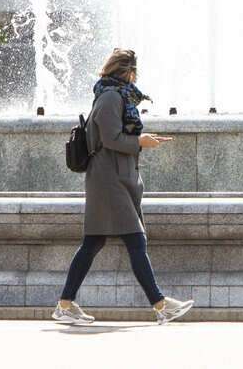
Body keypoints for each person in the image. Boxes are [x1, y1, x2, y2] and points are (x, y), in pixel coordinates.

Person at [52, 48, 194, 325]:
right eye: (135, 73)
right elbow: (111, 138)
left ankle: (65, 304)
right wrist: (142, 141)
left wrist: (143, 139)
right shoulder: (110, 97)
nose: (136, 78)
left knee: (94, 242)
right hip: (109, 180)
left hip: (115, 178)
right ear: (127, 72)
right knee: (135, 239)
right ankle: (161, 304)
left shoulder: (115, 96)